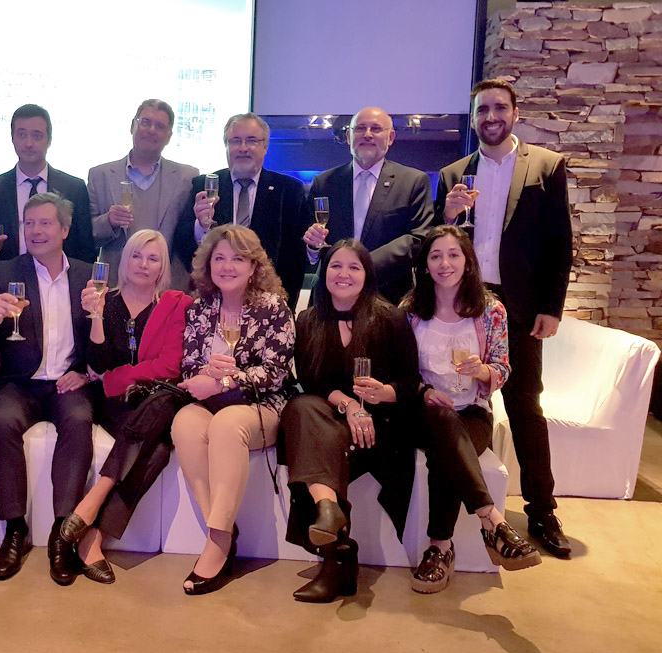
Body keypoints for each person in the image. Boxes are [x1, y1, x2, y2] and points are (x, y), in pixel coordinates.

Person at [436, 78, 573, 557]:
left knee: (525, 406)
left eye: (499, 108)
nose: (490, 117)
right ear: (473, 118)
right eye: (482, 110)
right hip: (464, 306)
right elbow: (439, 244)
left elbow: (560, 243)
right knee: (458, 399)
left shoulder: (546, 166)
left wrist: (551, 307)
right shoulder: (454, 172)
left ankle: (542, 511)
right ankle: (456, 514)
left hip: (519, 308)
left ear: (515, 113)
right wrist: (447, 214)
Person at [0, 192, 93, 586]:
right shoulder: (3, 272)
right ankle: (14, 529)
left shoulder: (88, 275)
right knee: (0, 421)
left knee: (79, 421)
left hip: (68, 381)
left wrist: (87, 373)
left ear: (65, 229)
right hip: (18, 382)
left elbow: (106, 337)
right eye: (29, 223)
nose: (35, 231)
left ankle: (63, 534)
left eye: (45, 223)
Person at [402, 225, 541, 593]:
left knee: (445, 449)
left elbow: (503, 368)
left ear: (467, 261)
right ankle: (492, 520)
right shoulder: (411, 309)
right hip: (424, 412)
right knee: (441, 421)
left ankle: (439, 549)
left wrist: (482, 371)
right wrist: (423, 390)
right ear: (426, 264)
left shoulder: (491, 310)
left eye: (453, 255)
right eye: (436, 256)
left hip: (473, 412)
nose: (444, 263)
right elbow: (398, 371)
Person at [280, 239, 420, 603]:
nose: (343, 274)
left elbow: (410, 382)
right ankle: (330, 519)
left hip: (380, 427)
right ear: (324, 272)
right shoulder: (308, 320)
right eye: (336, 266)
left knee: (317, 444)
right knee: (300, 407)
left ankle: (337, 555)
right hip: (334, 417)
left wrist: (382, 393)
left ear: (366, 274)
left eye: (353, 267)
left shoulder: (390, 318)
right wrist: (347, 405)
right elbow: (311, 380)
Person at [58, 230, 192, 583]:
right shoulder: (104, 300)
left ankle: (92, 515)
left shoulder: (175, 304)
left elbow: (170, 366)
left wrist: (113, 379)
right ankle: (92, 534)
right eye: (137, 256)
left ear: (163, 267)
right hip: (113, 406)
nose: (143, 264)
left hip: (152, 400)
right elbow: (98, 363)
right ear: (125, 260)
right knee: (157, 450)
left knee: (161, 410)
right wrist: (97, 317)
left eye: (153, 258)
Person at [170, 224, 295, 595]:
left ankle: (216, 542)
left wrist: (226, 380)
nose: (227, 266)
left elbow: (276, 373)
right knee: (184, 423)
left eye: (237, 259)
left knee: (226, 424)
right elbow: (189, 367)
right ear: (208, 265)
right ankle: (223, 531)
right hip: (211, 403)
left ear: (254, 266)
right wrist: (205, 375)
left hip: (262, 405)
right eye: (219, 258)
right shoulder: (200, 309)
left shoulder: (273, 308)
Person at [174, 113, 308, 306]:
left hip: (268, 301)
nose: (243, 148)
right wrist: (201, 226)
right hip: (213, 300)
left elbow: (296, 257)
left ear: (265, 146)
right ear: (226, 146)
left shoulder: (288, 190)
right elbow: (182, 243)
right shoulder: (204, 185)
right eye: (235, 141)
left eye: (251, 141)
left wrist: (285, 305)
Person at [304, 107, 433, 303]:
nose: (367, 134)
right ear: (348, 137)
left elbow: (419, 238)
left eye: (376, 129)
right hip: (331, 298)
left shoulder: (413, 182)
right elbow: (312, 238)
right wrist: (313, 245)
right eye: (360, 128)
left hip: (387, 297)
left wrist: (362, 267)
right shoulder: (324, 183)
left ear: (391, 138)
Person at [87, 100, 198, 289]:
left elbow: (189, 236)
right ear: (133, 125)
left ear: (169, 136)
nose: (151, 130)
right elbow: (86, 236)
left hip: (168, 288)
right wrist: (109, 221)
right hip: (115, 286)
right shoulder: (100, 175)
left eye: (160, 126)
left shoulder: (187, 178)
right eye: (145, 122)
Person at [0, 104, 95, 265]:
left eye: (37, 136)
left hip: (61, 279)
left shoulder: (74, 188)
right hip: (6, 278)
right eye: (22, 135)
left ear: (49, 140)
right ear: (12, 138)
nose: (29, 143)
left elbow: (86, 251)